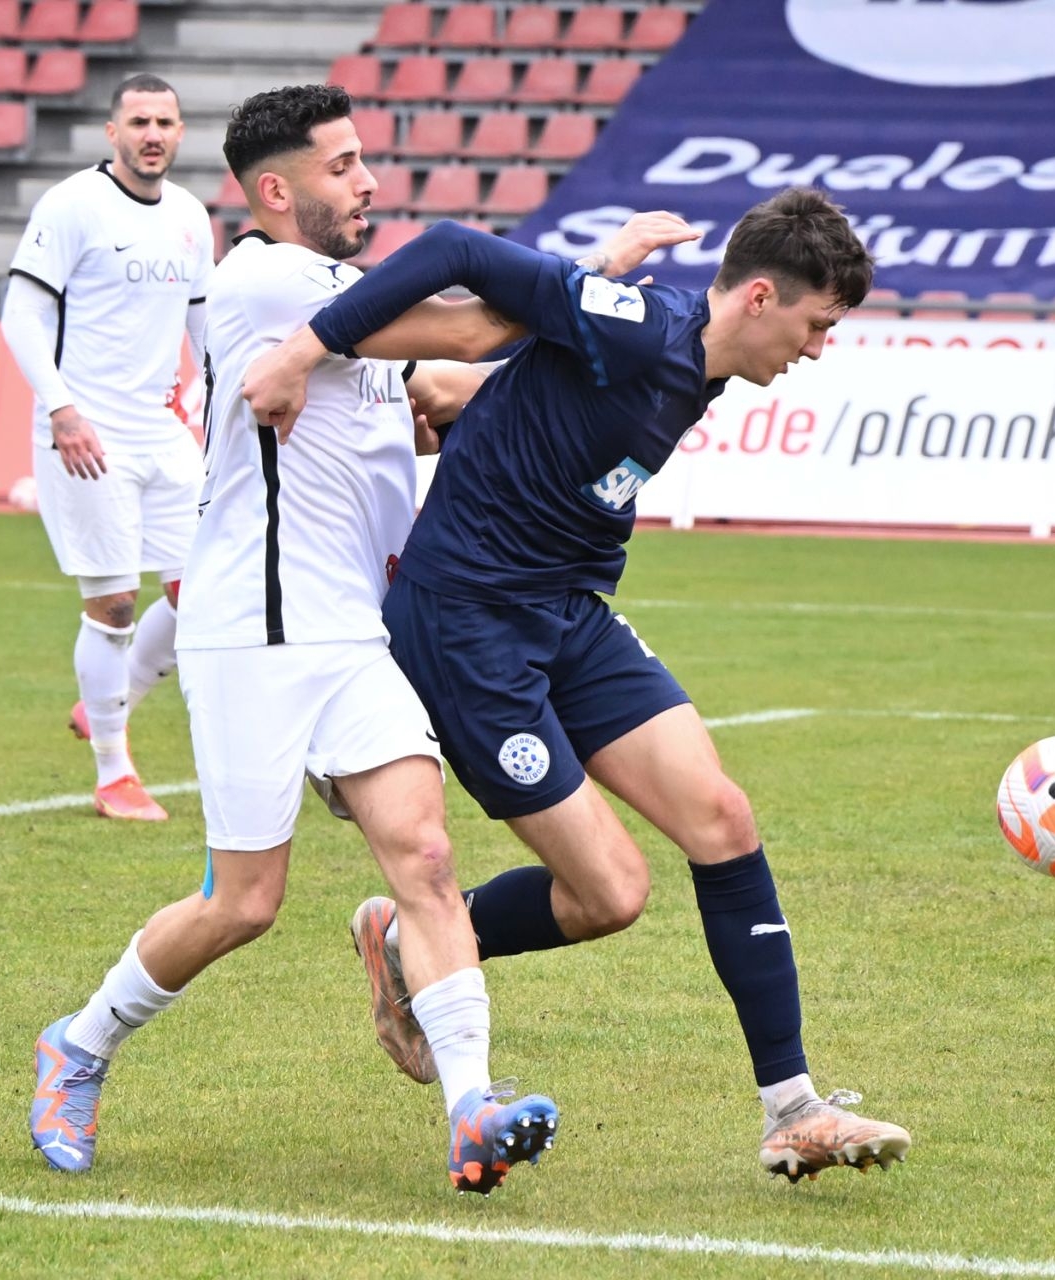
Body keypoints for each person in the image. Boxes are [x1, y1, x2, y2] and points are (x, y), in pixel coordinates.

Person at [26, 84, 681, 1192]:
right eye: (341, 167)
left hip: (354, 638)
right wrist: (602, 272)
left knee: (425, 856)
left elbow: (449, 380)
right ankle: (78, 1045)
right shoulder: (265, 280)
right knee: (244, 903)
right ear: (276, 191)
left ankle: (472, 1108)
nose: (368, 182)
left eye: (364, 160)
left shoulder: (348, 310)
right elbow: (471, 325)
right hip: (253, 632)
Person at [242, 188, 913, 1183]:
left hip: (568, 612)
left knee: (724, 818)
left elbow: (552, 381)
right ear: (762, 297)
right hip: (469, 627)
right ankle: (418, 939)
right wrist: (302, 353)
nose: (818, 349)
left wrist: (486, 396)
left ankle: (793, 1110)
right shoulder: (640, 328)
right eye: (817, 325)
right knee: (611, 892)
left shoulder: (696, 360)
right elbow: (456, 247)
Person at [2, 74, 213, 821]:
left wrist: (218, 399)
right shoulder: (72, 205)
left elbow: (205, 328)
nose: (152, 134)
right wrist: (62, 411)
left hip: (163, 432)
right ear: (112, 132)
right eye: (139, 121)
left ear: (180, 133)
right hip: (85, 435)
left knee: (206, 594)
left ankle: (106, 704)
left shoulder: (190, 216)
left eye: (165, 122)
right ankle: (113, 771)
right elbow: (21, 317)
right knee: (115, 603)